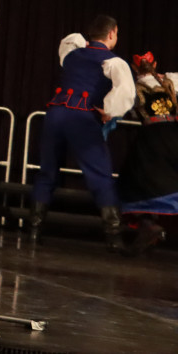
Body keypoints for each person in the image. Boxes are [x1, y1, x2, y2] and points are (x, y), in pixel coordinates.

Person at [28, 16, 136, 251]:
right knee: (100, 175)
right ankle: (114, 237)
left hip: (55, 114)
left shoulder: (71, 53)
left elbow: (68, 50)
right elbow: (126, 91)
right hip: (82, 117)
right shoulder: (113, 62)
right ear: (112, 34)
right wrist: (109, 110)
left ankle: (34, 231)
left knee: (47, 172)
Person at [116, 51, 176, 253]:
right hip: (174, 134)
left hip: (152, 137)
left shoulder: (134, 87)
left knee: (135, 178)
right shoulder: (171, 80)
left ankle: (148, 223)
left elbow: (124, 106)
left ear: (134, 68)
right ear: (155, 63)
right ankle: (151, 225)